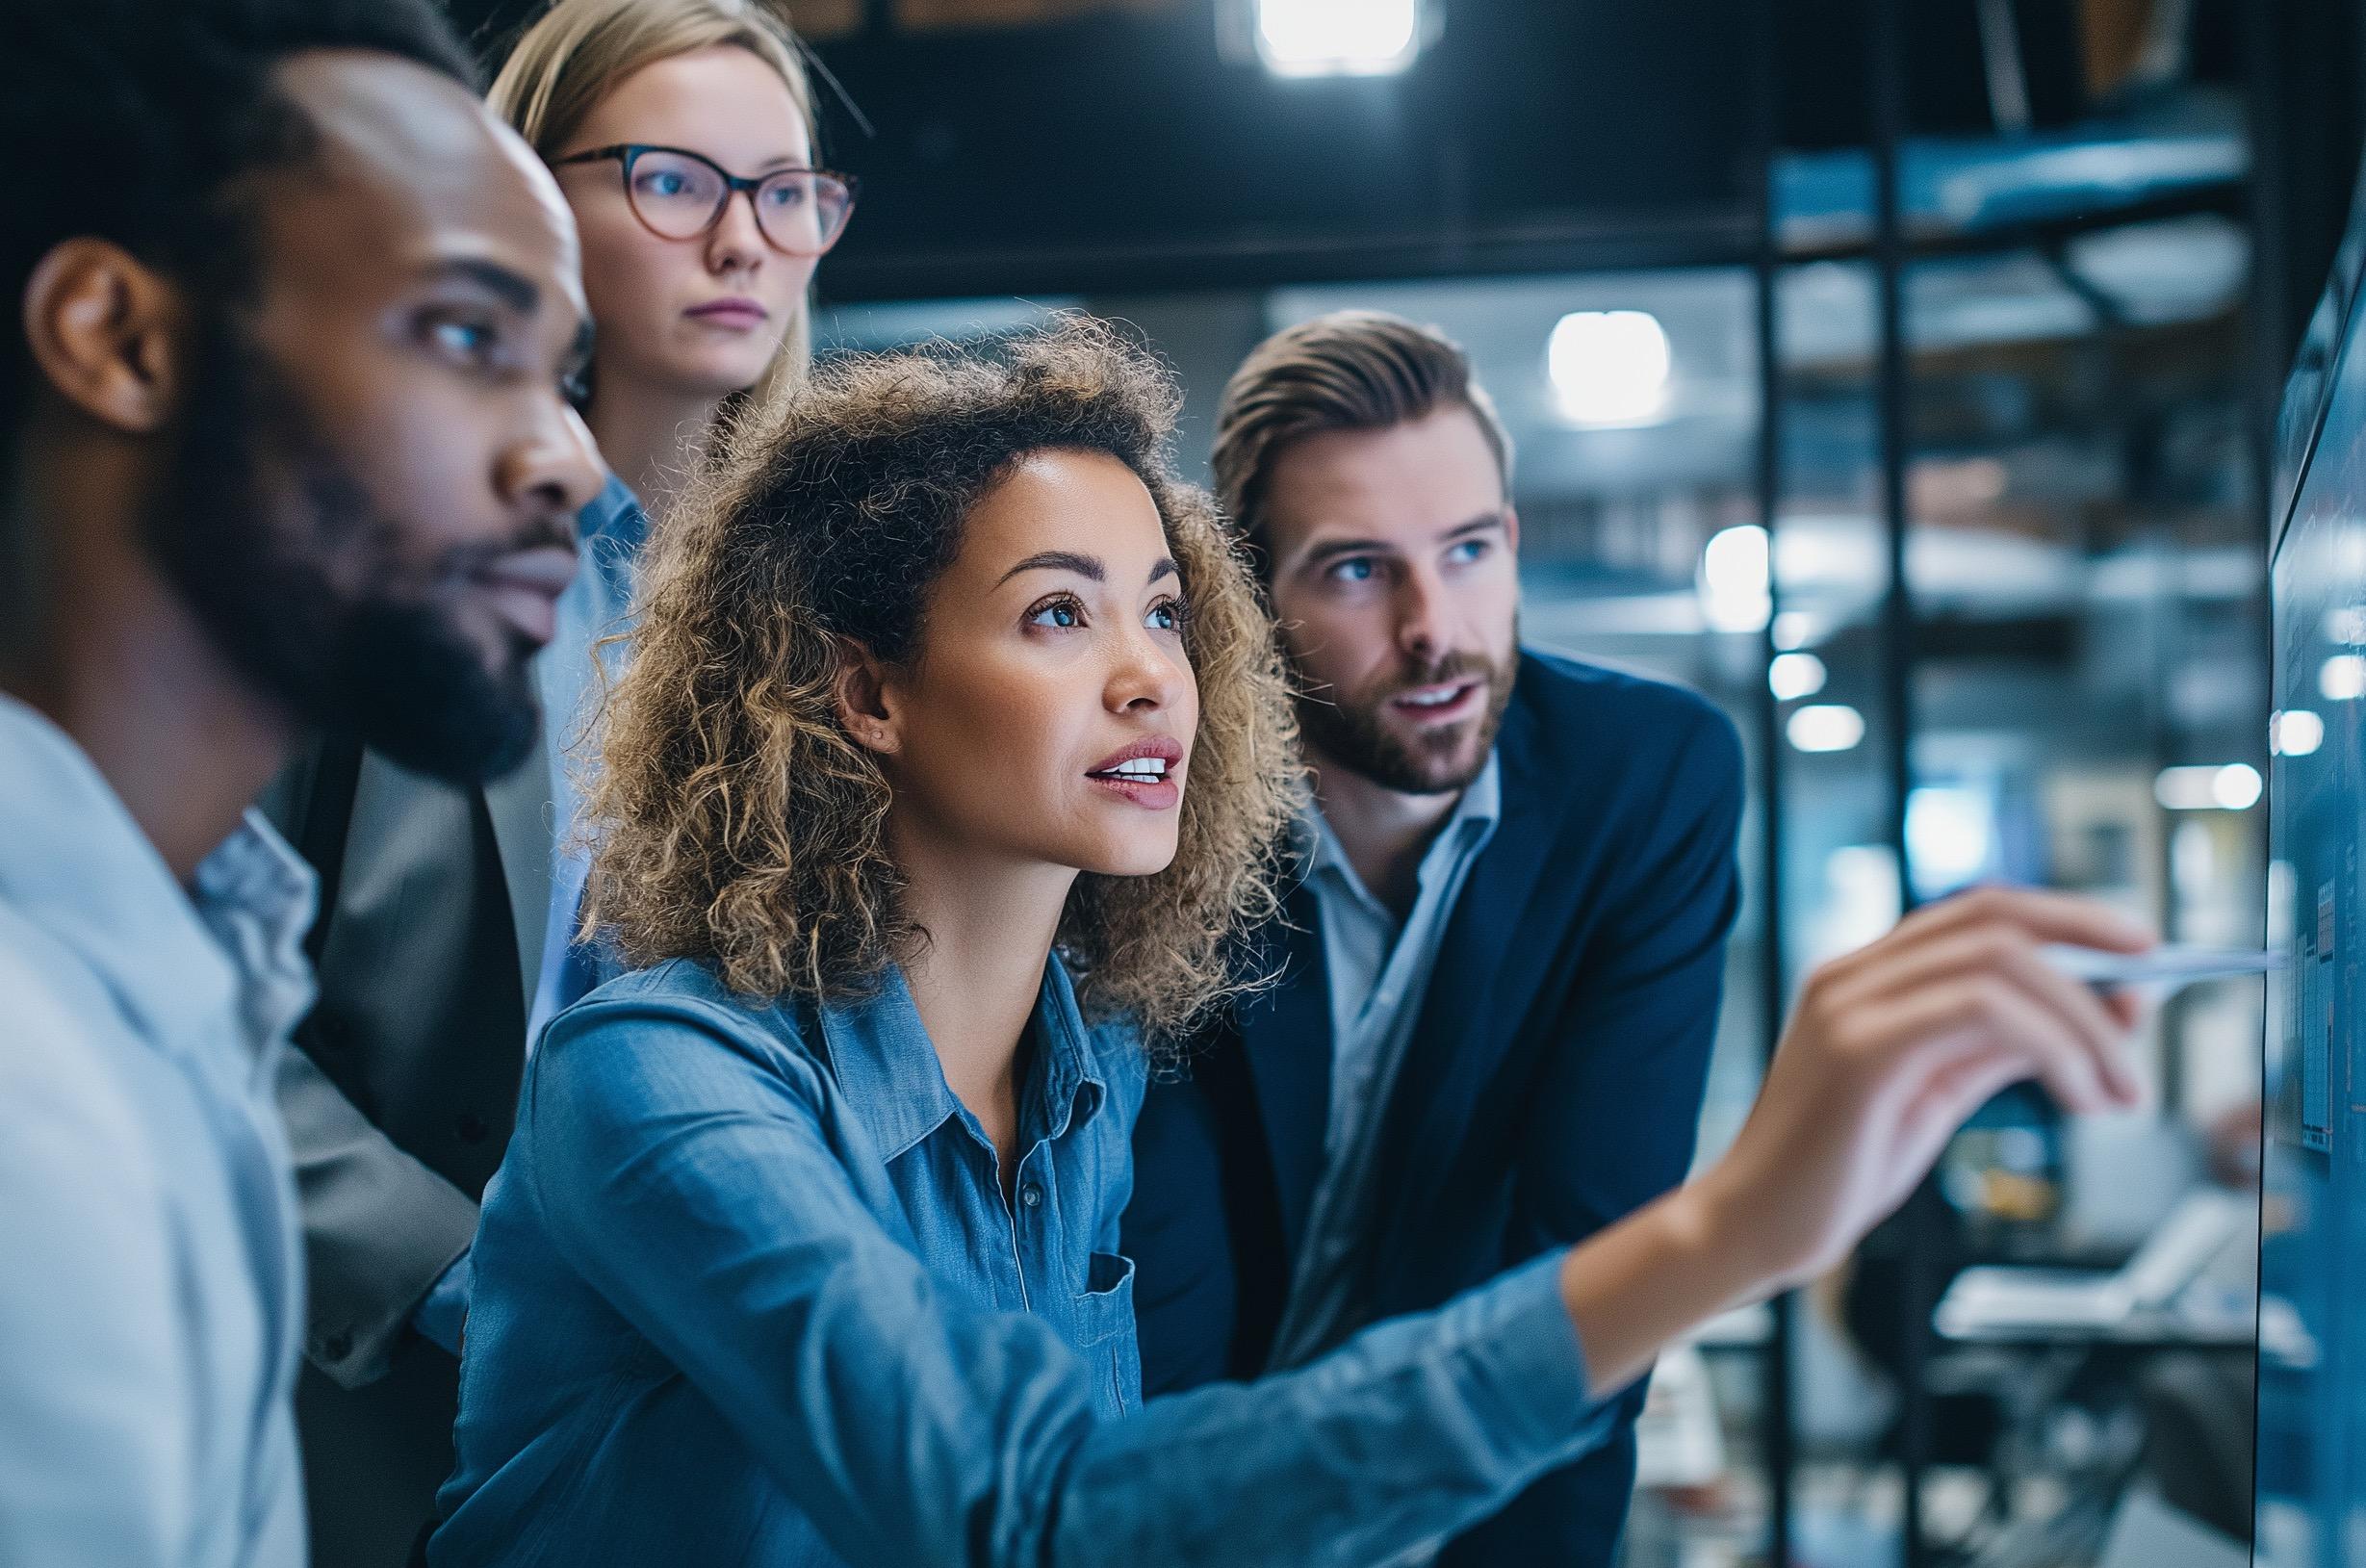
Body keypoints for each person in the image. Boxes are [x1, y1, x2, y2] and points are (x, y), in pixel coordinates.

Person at [428, 320, 2154, 1567]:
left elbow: (1170, 1487)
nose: (1143, 675)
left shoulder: (1088, 1077)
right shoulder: (652, 1083)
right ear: (862, 689)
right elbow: (1025, 1513)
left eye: (1161, 613)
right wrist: (1726, 1229)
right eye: (1056, 613)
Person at [0, 0, 603, 1561]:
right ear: (123, 341)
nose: (570, 463)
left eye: (561, 370)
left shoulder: (179, 979)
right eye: (469, 336)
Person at [266, 4, 849, 1561]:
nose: (742, 241)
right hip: (383, 1393)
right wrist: (446, 1272)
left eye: (785, 193)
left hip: (715, 1400)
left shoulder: (844, 620)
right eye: (675, 180)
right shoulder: (370, 551)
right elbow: (189, 984)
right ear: (524, 190)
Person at [1120, 309, 1738, 1563]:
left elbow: (1590, 1267)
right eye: (1357, 568)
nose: (1433, 629)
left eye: (1465, 551)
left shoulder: (1644, 781)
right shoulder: (1162, 810)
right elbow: (1159, 1291)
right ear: (1247, 596)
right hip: (1186, 1491)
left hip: (1477, 1497)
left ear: (1511, 543)